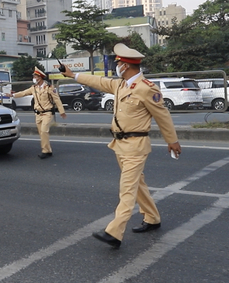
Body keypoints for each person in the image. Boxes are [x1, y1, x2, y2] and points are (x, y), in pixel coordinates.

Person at [59, 43, 182, 249]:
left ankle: (114, 232)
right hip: (119, 144)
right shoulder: (121, 85)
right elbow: (98, 81)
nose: (117, 67)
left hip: (136, 146)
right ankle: (152, 217)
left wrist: (172, 141)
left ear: (125, 66)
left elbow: (163, 116)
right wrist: (73, 75)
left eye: (118, 64)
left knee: (127, 190)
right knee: (138, 185)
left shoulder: (146, 89)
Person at [6, 67, 67, 159]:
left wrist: (62, 111)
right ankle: (48, 150)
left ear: (40, 77)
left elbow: (57, 99)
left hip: (47, 113)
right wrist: (13, 95)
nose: (34, 78)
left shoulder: (49, 88)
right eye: (34, 76)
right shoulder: (34, 88)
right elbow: (24, 93)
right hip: (38, 114)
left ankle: (45, 151)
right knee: (41, 133)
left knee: (44, 131)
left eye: (35, 76)